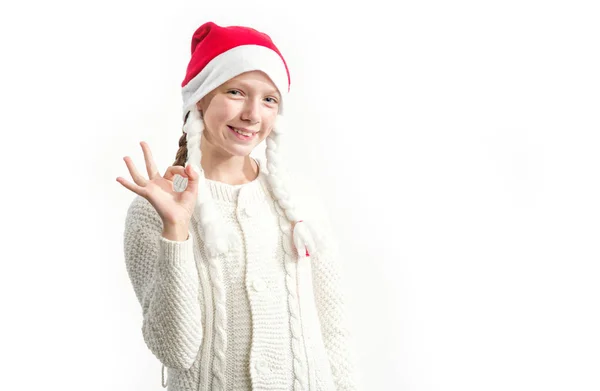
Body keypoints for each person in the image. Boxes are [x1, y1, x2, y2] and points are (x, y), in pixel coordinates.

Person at [117, 21, 358, 391]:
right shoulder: (155, 209)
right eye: (235, 92)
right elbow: (176, 350)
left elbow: (335, 325)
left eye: (269, 99)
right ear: (200, 98)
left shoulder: (300, 201)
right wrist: (177, 232)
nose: (252, 114)